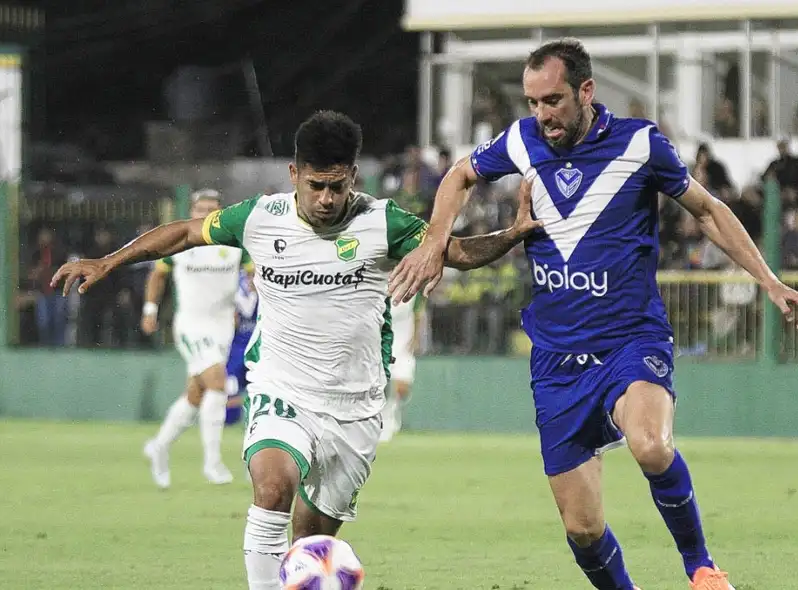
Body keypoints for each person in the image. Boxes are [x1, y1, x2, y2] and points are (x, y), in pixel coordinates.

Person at [389, 38, 798, 590]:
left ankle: (703, 569)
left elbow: (709, 212)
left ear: (585, 91)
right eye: (533, 102)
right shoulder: (521, 141)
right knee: (583, 528)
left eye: (553, 100)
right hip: (556, 360)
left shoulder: (640, 145)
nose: (542, 114)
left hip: (629, 340)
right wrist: (434, 240)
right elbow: (458, 176)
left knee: (651, 444)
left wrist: (770, 281)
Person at [50, 110, 542, 590]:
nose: (326, 198)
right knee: (272, 487)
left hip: (355, 405)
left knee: (309, 545)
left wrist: (512, 235)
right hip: (281, 386)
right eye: (315, 185)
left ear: (351, 176)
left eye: (336, 185)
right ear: (294, 174)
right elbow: (183, 232)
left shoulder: (383, 223)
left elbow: (455, 252)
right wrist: (110, 261)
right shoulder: (260, 217)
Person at [139, 188, 252, 489]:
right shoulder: (179, 241)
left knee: (196, 393)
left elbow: (255, 275)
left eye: (211, 210)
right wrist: (150, 309)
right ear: (192, 212)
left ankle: (160, 446)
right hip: (191, 325)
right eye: (200, 209)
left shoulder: (235, 242)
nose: (205, 214)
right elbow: (157, 275)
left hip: (222, 327)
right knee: (217, 382)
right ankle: (212, 462)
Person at [380, 292, 426, 442]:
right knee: (383, 384)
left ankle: (392, 412)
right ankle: (384, 421)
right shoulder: (380, 286)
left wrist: (416, 338)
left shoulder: (415, 288)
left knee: (402, 388)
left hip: (404, 345)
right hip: (384, 342)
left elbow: (419, 313)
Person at [225, 268, 258, 427]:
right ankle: (229, 420)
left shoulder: (268, 290)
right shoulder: (235, 289)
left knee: (261, 385)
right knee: (231, 385)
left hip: (259, 347)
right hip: (236, 348)